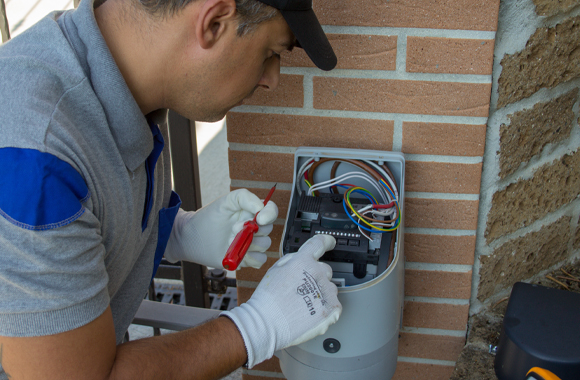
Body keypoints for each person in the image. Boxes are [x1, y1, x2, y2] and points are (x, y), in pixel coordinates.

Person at [0, 0, 342, 378]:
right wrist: (255, 327)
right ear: (213, 22)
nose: (271, 78)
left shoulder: (123, 84)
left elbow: (89, 218)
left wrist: (179, 233)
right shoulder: (35, 157)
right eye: (271, 53)